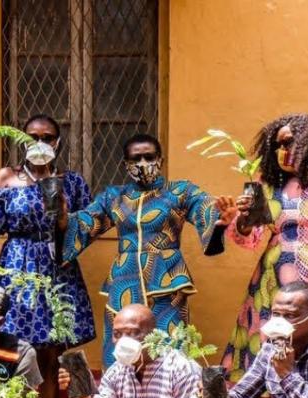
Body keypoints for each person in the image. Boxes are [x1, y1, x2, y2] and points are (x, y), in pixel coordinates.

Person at [59, 133, 234, 367]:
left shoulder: (180, 192)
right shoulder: (114, 197)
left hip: (168, 280)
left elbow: (205, 207)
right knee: (120, 348)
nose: (143, 163)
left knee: (171, 347)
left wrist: (220, 219)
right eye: (136, 158)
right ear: (125, 163)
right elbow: (83, 224)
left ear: (160, 159)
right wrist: (60, 216)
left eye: (149, 157)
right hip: (124, 281)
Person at [221, 113, 308, 381]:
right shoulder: (266, 186)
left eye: (288, 143)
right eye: (277, 145)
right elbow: (252, 239)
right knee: (277, 366)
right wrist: (239, 221)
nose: (282, 151)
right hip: (274, 287)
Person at [0, 114, 94, 398]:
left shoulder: (72, 182)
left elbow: (86, 231)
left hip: (57, 272)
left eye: (47, 137)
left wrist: (65, 215)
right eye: (32, 137)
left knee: (50, 360)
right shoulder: (6, 177)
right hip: (16, 269)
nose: (39, 142)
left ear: (58, 141)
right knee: (12, 353)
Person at [57, 304, 216, 398]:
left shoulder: (181, 368)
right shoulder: (117, 372)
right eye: (117, 334)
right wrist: (82, 393)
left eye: (133, 333)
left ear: (153, 335)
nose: (123, 341)